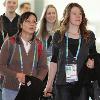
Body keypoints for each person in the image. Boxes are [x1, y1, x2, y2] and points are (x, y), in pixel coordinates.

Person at [44, 3, 97, 100]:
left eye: (80, 14)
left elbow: (94, 57)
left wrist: (94, 63)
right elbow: (54, 60)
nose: (78, 16)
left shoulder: (89, 36)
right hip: (62, 84)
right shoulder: (58, 35)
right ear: (67, 16)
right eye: (74, 13)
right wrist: (49, 83)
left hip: (82, 85)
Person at [0, 12, 48, 100]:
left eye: (34, 22)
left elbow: (43, 67)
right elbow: (1, 67)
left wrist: (35, 82)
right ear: (21, 25)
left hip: (31, 90)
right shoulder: (9, 42)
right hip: (10, 90)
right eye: (28, 21)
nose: (32, 24)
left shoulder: (39, 44)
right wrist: (17, 75)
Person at [37, 4, 59, 100]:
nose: (51, 15)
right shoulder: (38, 33)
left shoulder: (62, 32)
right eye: (49, 13)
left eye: (53, 13)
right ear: (45, 16)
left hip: (57, 70)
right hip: (43, 70)